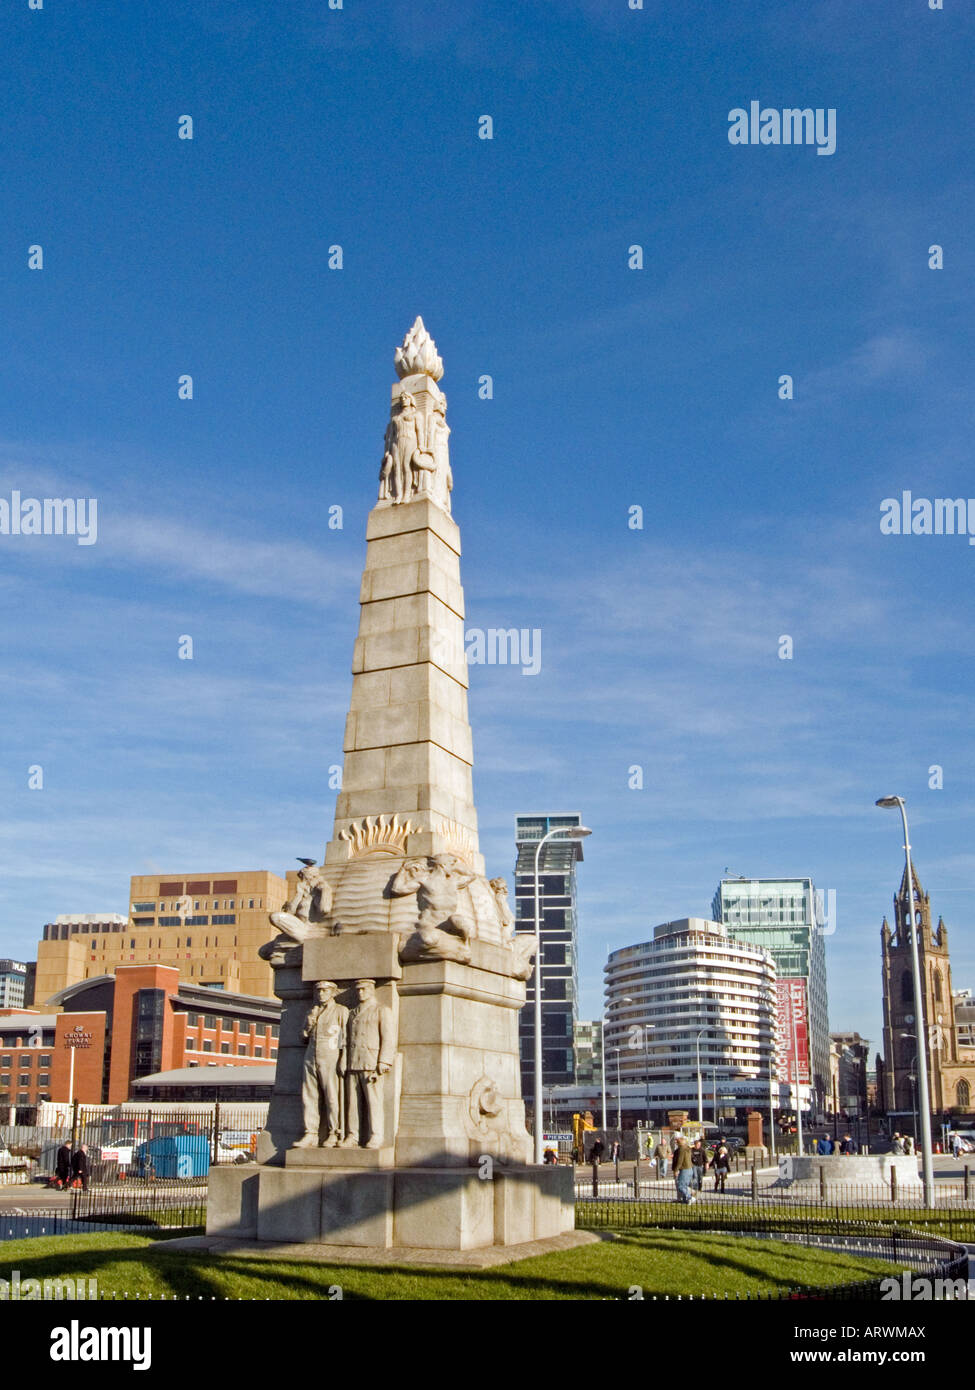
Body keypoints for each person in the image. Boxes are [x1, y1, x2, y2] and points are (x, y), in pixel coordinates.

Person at [295, 980, 349, 1148]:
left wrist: (344, 1058)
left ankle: (334, 1132)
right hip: (310, 1054)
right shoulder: (313, 1011)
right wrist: (309, 1023)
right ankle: (310, 1132)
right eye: (318, 991)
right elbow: (302, 1037)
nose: (321, 994)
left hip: (330, 1054)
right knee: (309, 1095)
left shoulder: (341, 1011)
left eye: (325, 991)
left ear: (333, 992)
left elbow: (346, 1037)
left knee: (332, 1095)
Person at [672, 1135, 695, 1204]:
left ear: (679, 1143)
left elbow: (680, 1161)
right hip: (690, 1169)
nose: (676, 1143)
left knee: (680, 1186)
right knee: (685, 1185)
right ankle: (686, 1201)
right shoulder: (687, 1148)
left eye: (677, 1142)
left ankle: (690, 1197)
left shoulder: (682, 1149)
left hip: (684, 1169)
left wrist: (676, 1170)